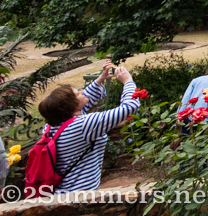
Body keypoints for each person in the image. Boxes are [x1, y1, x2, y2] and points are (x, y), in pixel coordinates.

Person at [37, 60, 139, 192]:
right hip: (78, 195)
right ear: (72, 106)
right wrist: (128, 81)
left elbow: (83, 103)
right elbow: (130, 107)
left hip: (60, 191)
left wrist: (101, 78)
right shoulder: (83, 125)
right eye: (78, 93)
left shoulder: (52, 125)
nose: (82, 92)